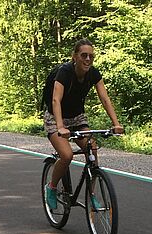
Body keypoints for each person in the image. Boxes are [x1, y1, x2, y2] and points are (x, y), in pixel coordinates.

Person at [44, 39, 124, 209]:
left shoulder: (93, 73)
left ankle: (91, 194)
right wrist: (60, 127)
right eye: (84, 55)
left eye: (91, 56)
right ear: (75, 57)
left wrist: (116, 124)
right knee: (67, 155)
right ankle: (51, 187)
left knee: (92, 149)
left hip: (77, 117)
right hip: (55, 117)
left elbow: (104, 98)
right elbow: (55, 100)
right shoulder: (65, 72)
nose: (88, 59)